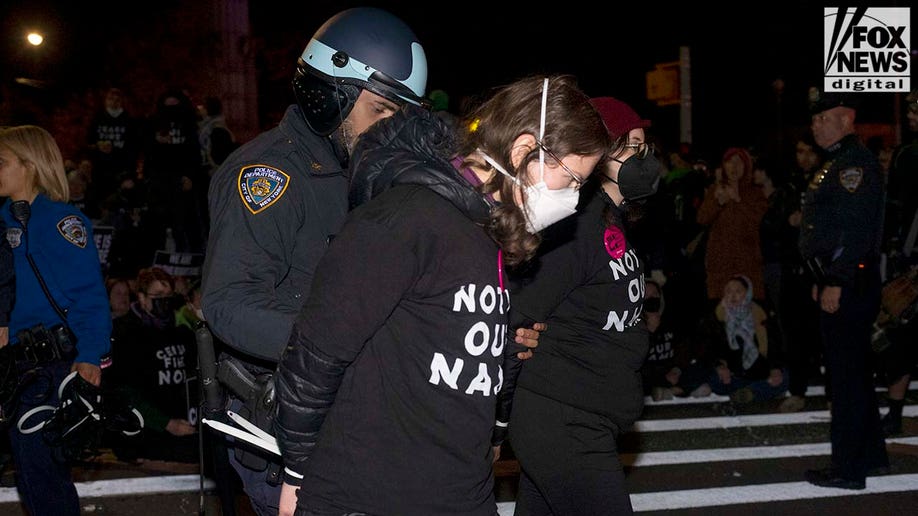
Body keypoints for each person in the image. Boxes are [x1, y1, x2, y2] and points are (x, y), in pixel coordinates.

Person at [201, 8, 542, 515]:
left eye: (401, 114)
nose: (391, 126)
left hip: (372, 423)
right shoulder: (270, 176)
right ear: (330, 93)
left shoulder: (383, 175)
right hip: (289, 426)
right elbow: (228, 303)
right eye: (381, 109)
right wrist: (356, 345)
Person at [275, 74, 610, 516]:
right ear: (523, 150)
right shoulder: (405, 219)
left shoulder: (497, 235)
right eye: (569, 178)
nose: (572, 198)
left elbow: (478, 349)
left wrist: (494, 434)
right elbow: (316, 354)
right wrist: (297, 475)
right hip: (370, 496)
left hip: (462, 494)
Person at [500, 95, 659, 516]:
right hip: (563, 416)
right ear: (599, 154)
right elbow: (519, 314)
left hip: (587, 413)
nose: (645, 160)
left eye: (646, 149)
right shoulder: (577, 224)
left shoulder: (611, 219)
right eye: (633, 148)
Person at [0, 125, 111, 515]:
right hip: (8, 366)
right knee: (30, 474)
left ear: (30, 166)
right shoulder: (0, 222)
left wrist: (91, 355)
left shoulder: (64, 222)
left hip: (48, 367)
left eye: (2, 162)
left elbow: (89, 298)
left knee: (41, 472)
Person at [800, 92, 889, 490]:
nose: (816, 125)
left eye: (825, 118)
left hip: (849, 280)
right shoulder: (838, 161)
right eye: (815, 119)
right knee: (856, 372)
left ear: (847, 118)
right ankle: (871, 455)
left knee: (846, 378)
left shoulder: (853, 164)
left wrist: (836, 279)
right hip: (844, 278)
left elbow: (854, 231)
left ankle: (848, 469)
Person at [106, 267, 199, 463]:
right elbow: (123, 392)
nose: (164, 301)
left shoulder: (181, 332)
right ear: (141, 297)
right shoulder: (125, 335)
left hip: (183, 429)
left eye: (168, 295)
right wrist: (166, 423)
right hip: (144, 434)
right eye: (157, 295)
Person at [875, 88, 918, 436]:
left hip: (909, 258)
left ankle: (894, 413)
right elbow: (894, 210)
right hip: (910, 260)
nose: (911, 116)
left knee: (903, 337)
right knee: (901, 336)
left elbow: (894, 210)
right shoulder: (905, 154)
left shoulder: (906, 155)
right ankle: (893, 412)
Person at [687, 274, 788, 405]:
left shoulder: (760, 315)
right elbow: (707, 348)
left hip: (760, 372)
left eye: (738, 291)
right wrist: (720, 366)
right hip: (732, 376)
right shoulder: (717, 316)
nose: (733, 295)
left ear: (748, 293)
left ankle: (751, 392)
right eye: (729, 291)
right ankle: (757, 392)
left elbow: (775, 345)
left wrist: (775, 368)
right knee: (713, 378)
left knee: (785, 376)